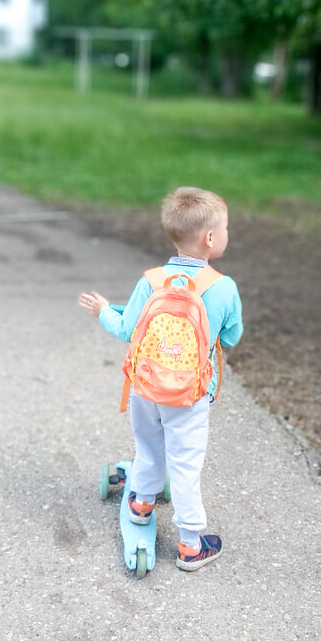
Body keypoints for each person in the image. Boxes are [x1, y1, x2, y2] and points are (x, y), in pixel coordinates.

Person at [78, 187, 243, 571]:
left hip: (145, 388)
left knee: (149, 447)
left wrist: (104, 310)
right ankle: (189, 545)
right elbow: (231, 337)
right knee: (185, 463)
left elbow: (126, 328)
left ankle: (141, 503)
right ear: (211, 239)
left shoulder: (150, 280)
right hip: (191, 394)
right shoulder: (223, 288)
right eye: (227, 229)